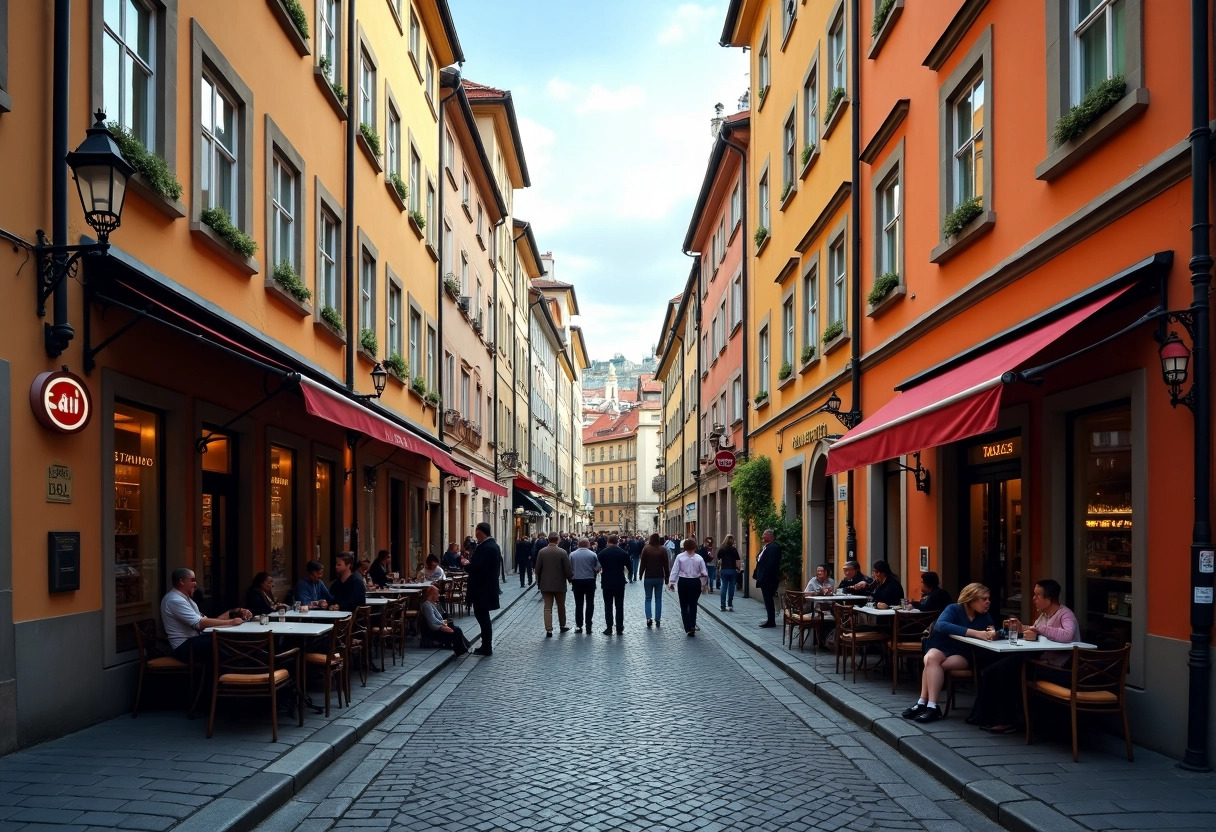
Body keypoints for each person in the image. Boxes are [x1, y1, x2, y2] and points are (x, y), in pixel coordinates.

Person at [970, 579, 1079, 733]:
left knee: (1005, 671)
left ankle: (1007, 721)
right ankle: (983, 716)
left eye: (1037, 596)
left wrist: (1038, 629)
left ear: (1050, 598)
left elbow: (1067, 634)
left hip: (1059, 669)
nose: (1034, 599)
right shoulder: (1043, 616)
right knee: (991, 670)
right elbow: (1037, 631)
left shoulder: (1065, 614)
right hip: (1041, 663)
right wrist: (1024, 629)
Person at [901, 582, 996, 723]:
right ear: (971, 599)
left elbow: (993, 631)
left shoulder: (984, 616)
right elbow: (942, 625)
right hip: (943, 646)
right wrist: (975, 633)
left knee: (932, 664)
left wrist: (994, 633)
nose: (988, 602)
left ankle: (924, 703)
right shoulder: (954, 609)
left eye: (988, 599)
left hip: (964, 653)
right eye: (984, 599)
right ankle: (930, 705)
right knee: (931, 658)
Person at [161, 568, 249, 663]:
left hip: (192, 642)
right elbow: (199, 623)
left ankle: (239, 666)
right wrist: (231, 622)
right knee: (218, 641)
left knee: (223, 639)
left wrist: (234, 612)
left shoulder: (186, 599)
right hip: (183, 647)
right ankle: (240, 667)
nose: (195, 584)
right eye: (193, 580)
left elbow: (206, 620)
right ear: (181, 581)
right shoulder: (175, 600)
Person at [466, 522, 501, 657]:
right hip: (485, 589)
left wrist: (467, 565)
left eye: (476, 533)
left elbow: (479, 567)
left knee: (483, 618)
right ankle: (486, 645)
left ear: (480, 532)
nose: (476, 536)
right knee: (483, 618)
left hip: (482, 590)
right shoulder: (492, 546)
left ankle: (487, 646)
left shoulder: (487, 547)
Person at [534, 531, 572, 636]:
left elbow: (537, 569)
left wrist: (539, 580)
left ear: (548, 539)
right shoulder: (562, 552)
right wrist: (570, 579)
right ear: (557, 540)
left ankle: (549, 629)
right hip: (559, 584)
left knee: (547, 607)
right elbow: (567, 569)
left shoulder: (542, 552)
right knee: (561, 606)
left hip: (545, 584)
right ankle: (562, 626)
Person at [668, 538, 708, 636]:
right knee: (693, 605)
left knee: (684, 605)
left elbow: (675, 570)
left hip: (683, 582)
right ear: (694, 547)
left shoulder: (680, 557)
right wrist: (703, 584)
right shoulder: (699, 558)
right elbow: (704, 573)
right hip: (695, 582)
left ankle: (688, 627)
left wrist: (671, 582)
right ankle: (693, 625)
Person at [418, 584, 469, 654]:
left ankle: (463, 647)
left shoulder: (431, 603)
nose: (438, 595)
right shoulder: (426, 605)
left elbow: (439, 617)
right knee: (457, 630)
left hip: (438, 626)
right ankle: (461, 649)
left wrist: (444, 623)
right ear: (433, 595)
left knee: (455, 627)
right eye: (437, 594)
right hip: (434, 631)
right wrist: (442, 625)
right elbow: (432, 620)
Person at [597, 534, 631, 635]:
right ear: (617, 542)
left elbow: (598, 567)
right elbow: (630, 567)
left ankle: (609, 628)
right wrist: (629, 575)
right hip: (619, 582)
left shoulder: (602, 553)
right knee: (619, 606)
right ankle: (619, 628)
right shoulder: (623, 553)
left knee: (608, 606)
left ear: (608, 542)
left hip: (607, 581)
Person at [569, 536, 601, 634]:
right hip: (589, 581)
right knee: (590, 603)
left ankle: (579, 625)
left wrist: (571, 577)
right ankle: (588, 625)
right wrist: (594, 570)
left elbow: (569, 568)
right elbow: (598, 568)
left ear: (578, 544)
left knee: (579, 604)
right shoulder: (593, 554)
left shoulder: (572, 554)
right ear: (588, 544)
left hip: (577, 581)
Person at [752, 528, 782, 628]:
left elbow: (771, 564)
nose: (762, 537)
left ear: (770, 536)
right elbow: (759, 558)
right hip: (764, 578)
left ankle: (771, 621)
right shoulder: (765, 547)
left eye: (764, 535)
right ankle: (770, 619)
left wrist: (764, 577)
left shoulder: (773, 548)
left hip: (769, 579)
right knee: (767, 600)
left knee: (768, 599)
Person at [639, 533, 669, 627]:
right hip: (659, 577)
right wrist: (667, 576)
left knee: (648, 598)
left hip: (648, 577)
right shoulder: (662, 549)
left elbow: (642, 563)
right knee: (658, 598)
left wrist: (640, 574)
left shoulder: (646, 549)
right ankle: (658, 619)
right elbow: (666, 565)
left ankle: (648, 618)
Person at [717, 535, 741, 612]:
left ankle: (723, 606)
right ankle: (730, 605)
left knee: (723, 587)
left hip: (724, 570)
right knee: (731, 588)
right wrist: (738, 569)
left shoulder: (722, 549)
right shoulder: (734, 549)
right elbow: (737, 561)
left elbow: (719, 559)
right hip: (732, 570)